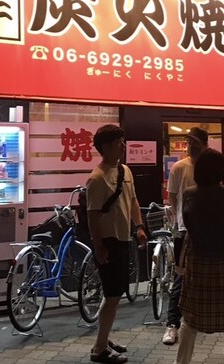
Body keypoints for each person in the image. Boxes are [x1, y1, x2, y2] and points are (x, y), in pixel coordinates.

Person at [173, 148, 224, 364]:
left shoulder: (190, 194)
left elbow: (188, 224)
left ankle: (182, 362)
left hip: (199, 260)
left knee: (191, 318)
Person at [87, 125, 147, 364]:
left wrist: (139, 227)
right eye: (118, 142)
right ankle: (99, 350)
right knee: (113, 294)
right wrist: (99, 247)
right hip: (109, 241)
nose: (123, 146)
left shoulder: (125, 170)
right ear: (105, 146)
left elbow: (132, 200)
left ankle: (103, 338)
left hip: (123, 238)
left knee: (113, 293)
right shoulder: (97, 178)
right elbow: (92, 216)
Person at [162, 127, 208, 346]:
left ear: (205, 145)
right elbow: (172, 196)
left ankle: (198, 319)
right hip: (184, 229)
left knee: (204, 275)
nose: (191, 146)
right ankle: (172, 324)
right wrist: (177, 220)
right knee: (181, 277)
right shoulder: (179, 167)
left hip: (207, 229)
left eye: (195, 142)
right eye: (189, 142)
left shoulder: (210, 166)